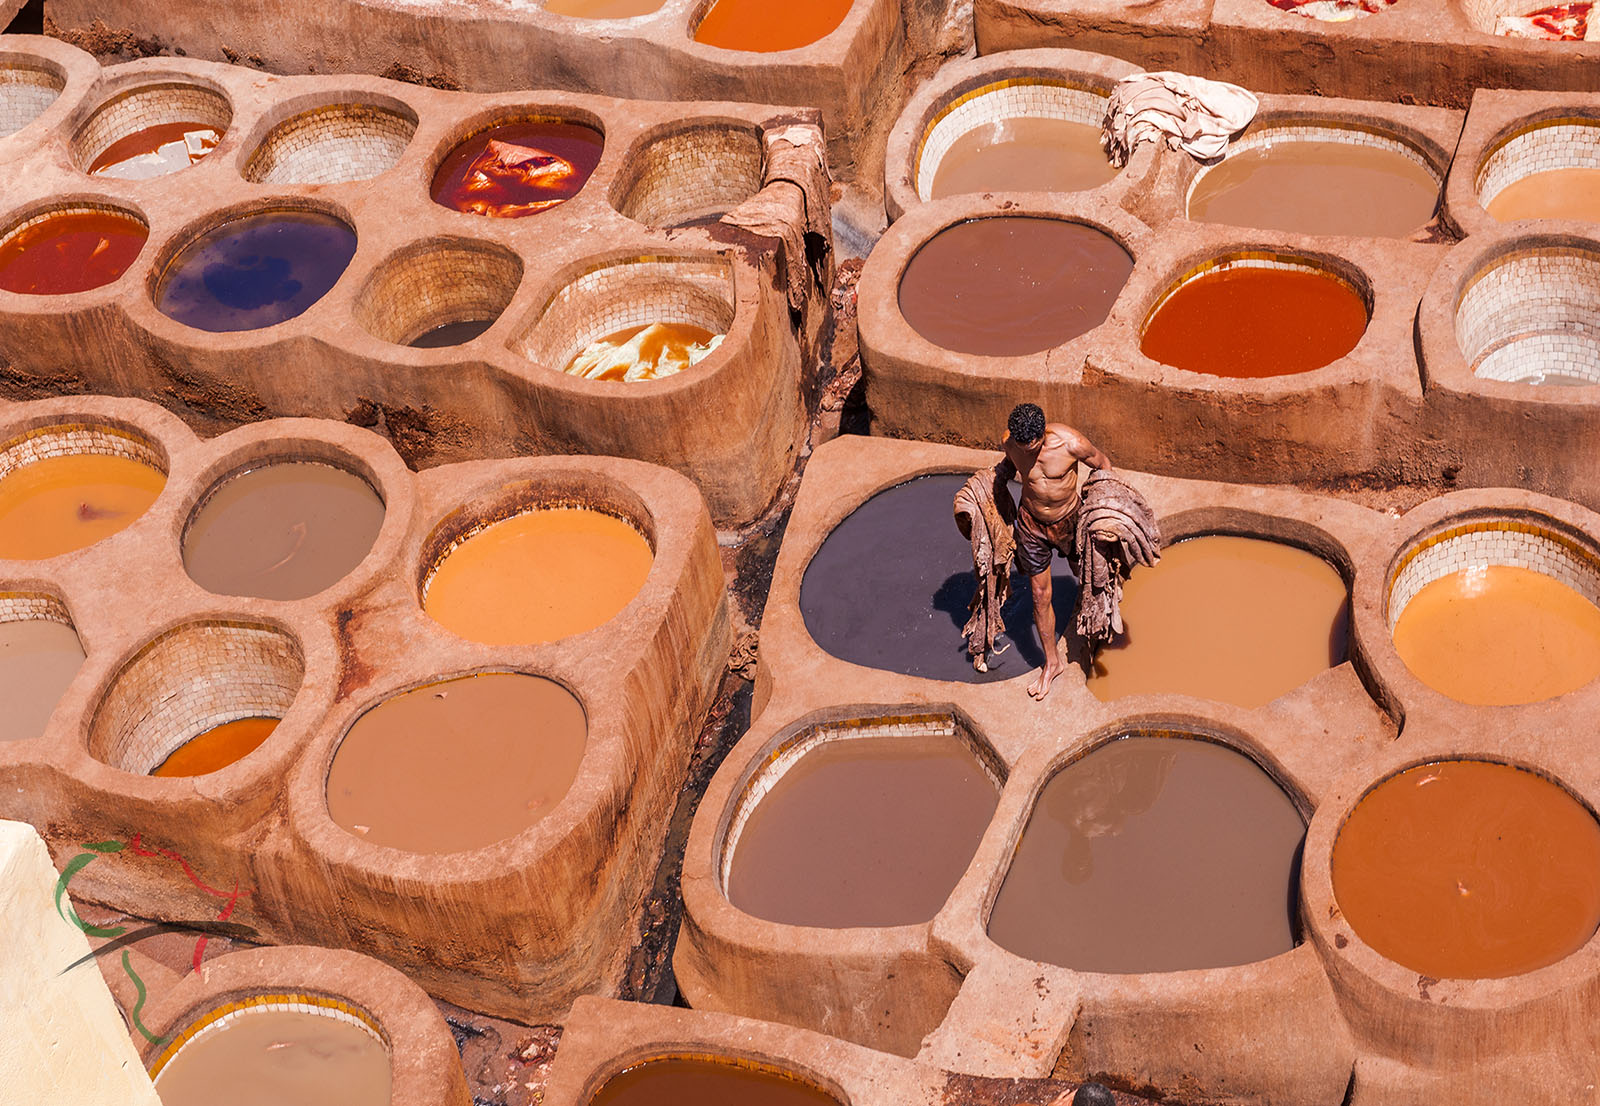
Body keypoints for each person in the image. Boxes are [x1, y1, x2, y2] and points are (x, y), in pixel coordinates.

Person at [1001, 402, 1112, 701]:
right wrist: (992, 486)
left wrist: (1103, 508)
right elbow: (1008, 466)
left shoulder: (1071, 443)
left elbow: (1103, 464)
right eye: (1021, 446)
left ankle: (1100, 628)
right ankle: (1052, 663)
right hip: (1031, 522)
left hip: (1070, 520)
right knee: (1039, 595)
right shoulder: (1010, 443)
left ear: (1043, 434)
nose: (1027, 452)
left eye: (1033, 447)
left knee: (1089, 578)